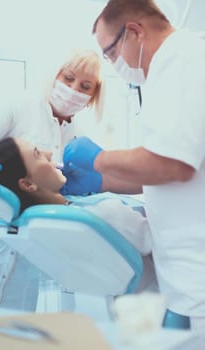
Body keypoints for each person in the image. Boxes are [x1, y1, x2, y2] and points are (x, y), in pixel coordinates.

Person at [61, 0, 205, 330]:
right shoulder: (169, 69)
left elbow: (174, 165)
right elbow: (168, 171)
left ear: (134, 33)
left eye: (110, 53)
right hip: (186, 281)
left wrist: (97, 159)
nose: (113, 64)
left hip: (196, 278)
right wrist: (103, 183)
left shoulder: (181, 58)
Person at [0, 137, 155, 315]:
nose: (49, 153)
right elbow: (154, 239)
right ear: (28, 184)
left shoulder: (38, 227)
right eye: (37, 154)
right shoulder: (103, 212)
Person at [0, 48, 105, 202]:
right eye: (68, 78)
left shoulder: (80, 140)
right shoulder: (19, 106)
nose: (73, 89)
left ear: (94, 96)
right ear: (54, 75)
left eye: (85, 87)